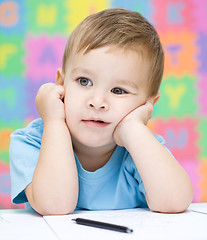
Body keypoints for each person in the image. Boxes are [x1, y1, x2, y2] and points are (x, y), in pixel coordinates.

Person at [9, 8, 193, 216]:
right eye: (84, 81)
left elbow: (175, 203)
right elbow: (55, 206)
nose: (97, 102)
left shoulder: (141, 148)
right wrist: (54, 122)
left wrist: (133, 128)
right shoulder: (32, 142)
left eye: (118, 90)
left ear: (148, 104)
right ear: (61, 84)